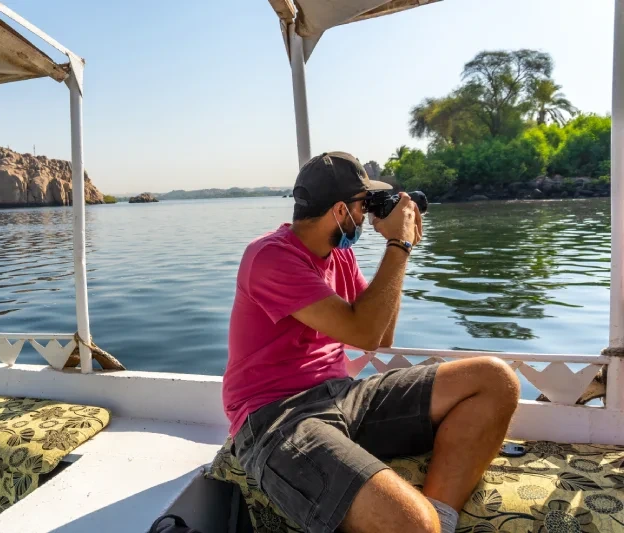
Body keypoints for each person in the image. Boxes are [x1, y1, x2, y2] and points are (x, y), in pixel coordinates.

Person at [222, 152, 520, 533]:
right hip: (275, 415)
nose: (368, 216)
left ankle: (440, 518)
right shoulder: (269, 257)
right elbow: (364, 332)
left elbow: (380, 337)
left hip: (342, 395)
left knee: (495, 379)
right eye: (364, 206)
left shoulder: (339, 256)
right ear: (340, 211)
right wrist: (399, 245)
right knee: (414, 525)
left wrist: (400, 246)